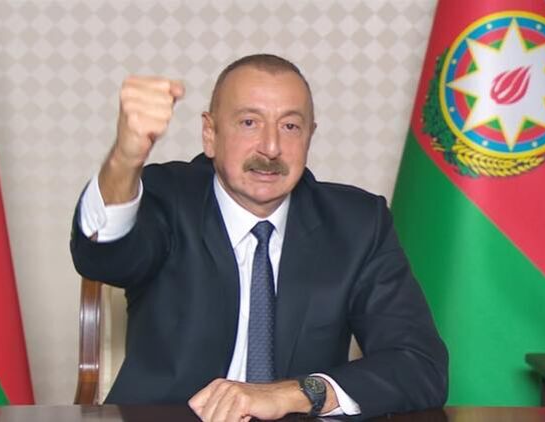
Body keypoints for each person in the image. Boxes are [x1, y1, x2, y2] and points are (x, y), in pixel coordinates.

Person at [70, 54, 448, 421]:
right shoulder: (167, 198)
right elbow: (102, 258)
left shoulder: (357, 224)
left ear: (310, 136)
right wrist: (126, 158)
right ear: (210, 134)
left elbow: (419, 365)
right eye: (249, 122)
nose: (270, 148)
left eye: (290, 126)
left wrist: (295, 393)